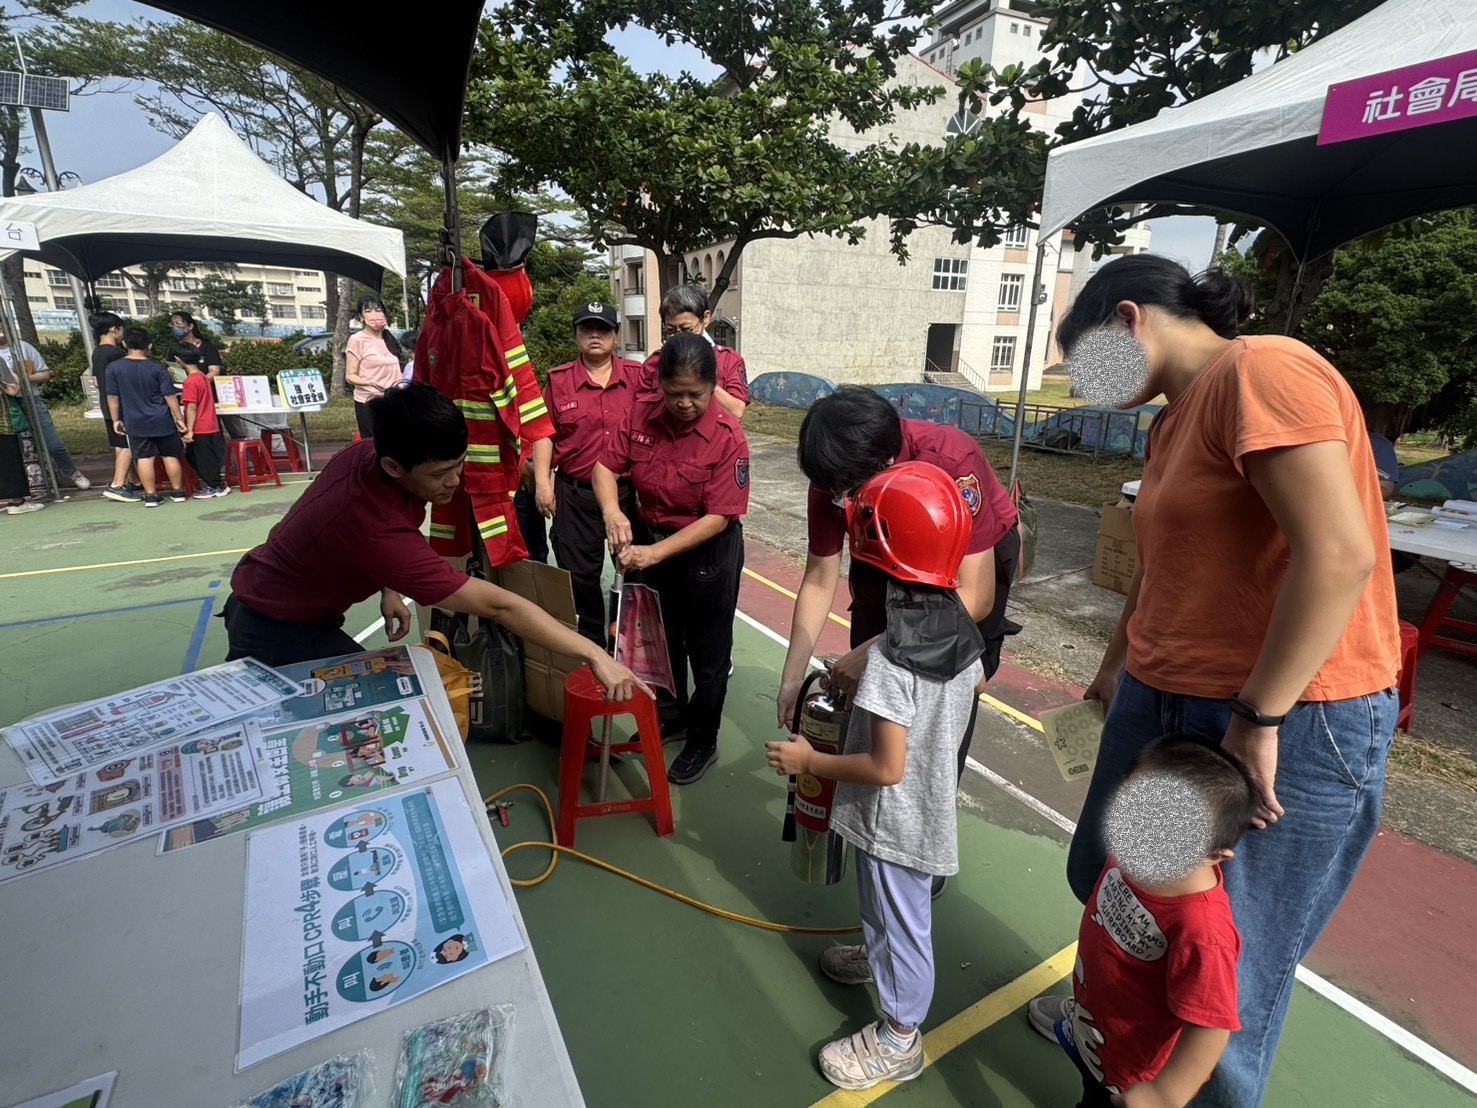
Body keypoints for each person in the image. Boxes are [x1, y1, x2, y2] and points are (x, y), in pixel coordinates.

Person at [1056, 255, 1399, 1107]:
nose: (1088, 385)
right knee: (1110, 885)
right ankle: (1116, 1057)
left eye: (1086, 360)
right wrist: (1114, 669)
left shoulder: (1261, 369)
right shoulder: (1173, 422)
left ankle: (1171, 1092)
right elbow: (1167, 561)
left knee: (1219, 970)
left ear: (1128, 321)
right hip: (1167, 694)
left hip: (1278, 710)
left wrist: (1259, 715)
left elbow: (1339, 552)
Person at [764, 461, 985, 1091]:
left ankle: (899, 1038)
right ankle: (877, 961)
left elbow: (885, 767)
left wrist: (810, 762)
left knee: (899, 921)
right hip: (928, 808)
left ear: (874, 562)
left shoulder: (891, 659)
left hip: (893, 824)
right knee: (897, 915)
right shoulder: (963, 635)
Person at [224, 382, 646, 703]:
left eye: (459, 465)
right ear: (393, 465)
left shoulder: (365, 455)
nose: (454, 481)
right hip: (273, 628)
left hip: (289, 603)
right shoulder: (373, 527)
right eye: (441, 472)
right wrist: (596, 654)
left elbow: (372, 541)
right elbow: (500, 605)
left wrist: (390, 586)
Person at [778, 386, 1019, 897]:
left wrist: (873, 652)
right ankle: (876, 835)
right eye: (834, 491)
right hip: (884, 562)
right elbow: (821, 577)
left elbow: (973, 598)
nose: (842, 499)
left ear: (886, 461)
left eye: (851, 489)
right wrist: (793, 676)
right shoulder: (836, 476)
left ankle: (919, 865)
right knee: (874, 710)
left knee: (932, 715)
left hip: (957, 574)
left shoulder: (950, 461)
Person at [1029, 736, 1255, 1107]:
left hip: (1131, 1074)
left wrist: (1165, 1094)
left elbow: (1211, 1024)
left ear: (1216, 854)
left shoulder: (1202, 929)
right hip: (1097, 1030)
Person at [594, 333, 750, 784]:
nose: (684, 404)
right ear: (659, 385)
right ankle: (673, 717)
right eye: (674, 393)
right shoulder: (641, 413)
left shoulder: (727, 436)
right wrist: (612, 513)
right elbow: (605, 467)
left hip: (705, 555)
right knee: (662, 641)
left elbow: (720, 516)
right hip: (650, 540)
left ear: (712, 386)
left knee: (708, 654)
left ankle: (703, 739)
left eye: (695, 395)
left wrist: (653, 553)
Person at [534, 301, 645, 644]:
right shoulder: (559, 381)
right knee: (580, 577)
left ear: (615, 335)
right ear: (577, 334)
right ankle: (593, 643)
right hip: (575, 494)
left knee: (634, 569)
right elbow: (545, 434)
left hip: (626, 495)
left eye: (603, 329)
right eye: (587, 328)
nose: (595, 335)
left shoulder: (638, 378)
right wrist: (542, 482)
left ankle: (628, 640)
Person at [106, 328, 189, 508]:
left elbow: (112, 396)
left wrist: (115, 419)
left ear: (124, 344)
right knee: (170, 455)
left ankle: (151, 495)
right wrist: (179, 418)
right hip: (162, 418)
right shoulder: (157, 368)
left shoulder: (114, 368)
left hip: (135, 420)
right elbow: (169, 396)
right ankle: (178, 491)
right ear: (149, 346)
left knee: (144, 457)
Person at [639, 284, 749, 419]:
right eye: (671, 331)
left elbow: (736, 412)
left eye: (687, 329)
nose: (680, 337)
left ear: (706, 318)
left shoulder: (728, 360)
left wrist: (703, 382)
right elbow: (641, 413)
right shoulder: (655, 362)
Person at [0, 322, 88, 489]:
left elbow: (45, 373)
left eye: (1, 327)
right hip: (6, 404)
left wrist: (25, 377)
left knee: (52, 443)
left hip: (30, 398)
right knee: (14, 446)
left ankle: (73, 472)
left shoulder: (23, 347)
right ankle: (23, 485)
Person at [91, 311, 140, 503]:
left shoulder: (97, 352)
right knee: (126, 445)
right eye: (121, 330)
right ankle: (117, 484)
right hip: (121, 405)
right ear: (114, 329)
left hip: (106, 405)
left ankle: (134, 480)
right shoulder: (115, 353)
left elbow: (96, 381)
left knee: (120, 445)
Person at [171, 310, 240, 439]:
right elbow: (173, 371)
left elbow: (214, 371)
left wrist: (198, 385)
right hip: (188, 393)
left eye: (178, 324)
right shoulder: (175, 348)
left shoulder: (207, 346)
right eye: (173, 324)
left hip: (215, 394)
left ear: (190, 326)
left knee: (232, 426)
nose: (175, 327)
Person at [344, 295, 404, 439]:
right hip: (369, 401)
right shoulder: (357, 340)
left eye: (378, 310)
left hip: (393, 400)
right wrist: (371, 382)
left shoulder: (389, 339)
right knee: (373, 445)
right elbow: (350, 376)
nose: (374, 314)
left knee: (396, 444)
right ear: (361, 316)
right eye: (368, 311)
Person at [177, 344, 228, 498]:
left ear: (178, 360)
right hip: (208, 422)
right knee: (200, 455)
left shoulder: (191, 381)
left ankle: (214, 485)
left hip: (200, 425)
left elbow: (192, 407)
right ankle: (215, 483)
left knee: (203, 457)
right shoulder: (202, 376)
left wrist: (190, 429)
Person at [0, 353, 43, 515]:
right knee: (8, 459)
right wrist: (15, 375)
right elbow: (12, 389)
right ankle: (17, 501)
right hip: (3, 422)